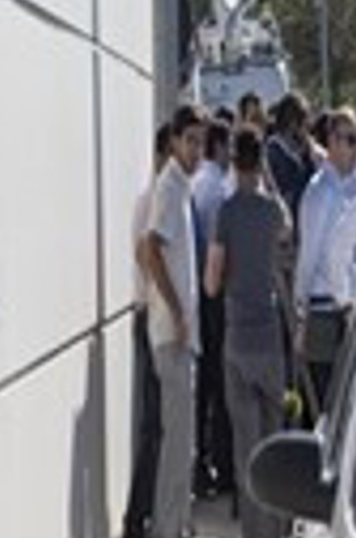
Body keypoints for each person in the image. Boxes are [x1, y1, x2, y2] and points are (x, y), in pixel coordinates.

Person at [204, 125, 292, 538]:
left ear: (233, 162)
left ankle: (254, 532)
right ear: (260, 163)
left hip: (238, 335)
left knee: (247, 446)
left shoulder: (226, 212)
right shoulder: (272, 211)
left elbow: (211, 282)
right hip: (269, 334)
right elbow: (288, 229)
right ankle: (278, 527)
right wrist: (269, 180)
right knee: (274, 439)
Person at [140, 104, 208, 538]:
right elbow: (150, 249)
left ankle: (178, 524)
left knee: (184, 444)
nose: (197, 150)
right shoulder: (169, 187)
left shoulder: (181, 187)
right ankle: (167, 528)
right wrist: (178, 311)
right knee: (177, 445)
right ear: (174, 142)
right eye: (190, 141)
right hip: (173, 336)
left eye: (201, 142)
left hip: (181, 336)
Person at [293, 108, 356, 409]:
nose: (352, 147)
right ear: (331, 142)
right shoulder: (318, 192)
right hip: (322, 306)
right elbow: (309, 253)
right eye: (345, 139)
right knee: (324, 396)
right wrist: (301, 308)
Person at [123, 124, 173, 538]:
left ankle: (149, 513)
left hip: (154, 317)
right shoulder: (155, 198)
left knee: (160, 424)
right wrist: (171, 303)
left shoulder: (158, 197)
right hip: (152, 318)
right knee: (156, 425)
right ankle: (139, 517)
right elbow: (145, 254)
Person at [191, 120, 234, 498]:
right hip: (215, 293)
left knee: (203, 384)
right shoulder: (219, 189)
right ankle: (218, 464)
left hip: (200, 291)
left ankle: (200, 462)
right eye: (229, 144)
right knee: (219, 383)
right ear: (219, 146)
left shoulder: (197, 183)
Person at [265, 92, 322, 222]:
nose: (306, 130)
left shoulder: (306, 150)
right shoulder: (273, 153)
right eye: (304, 123)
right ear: (293, 123)